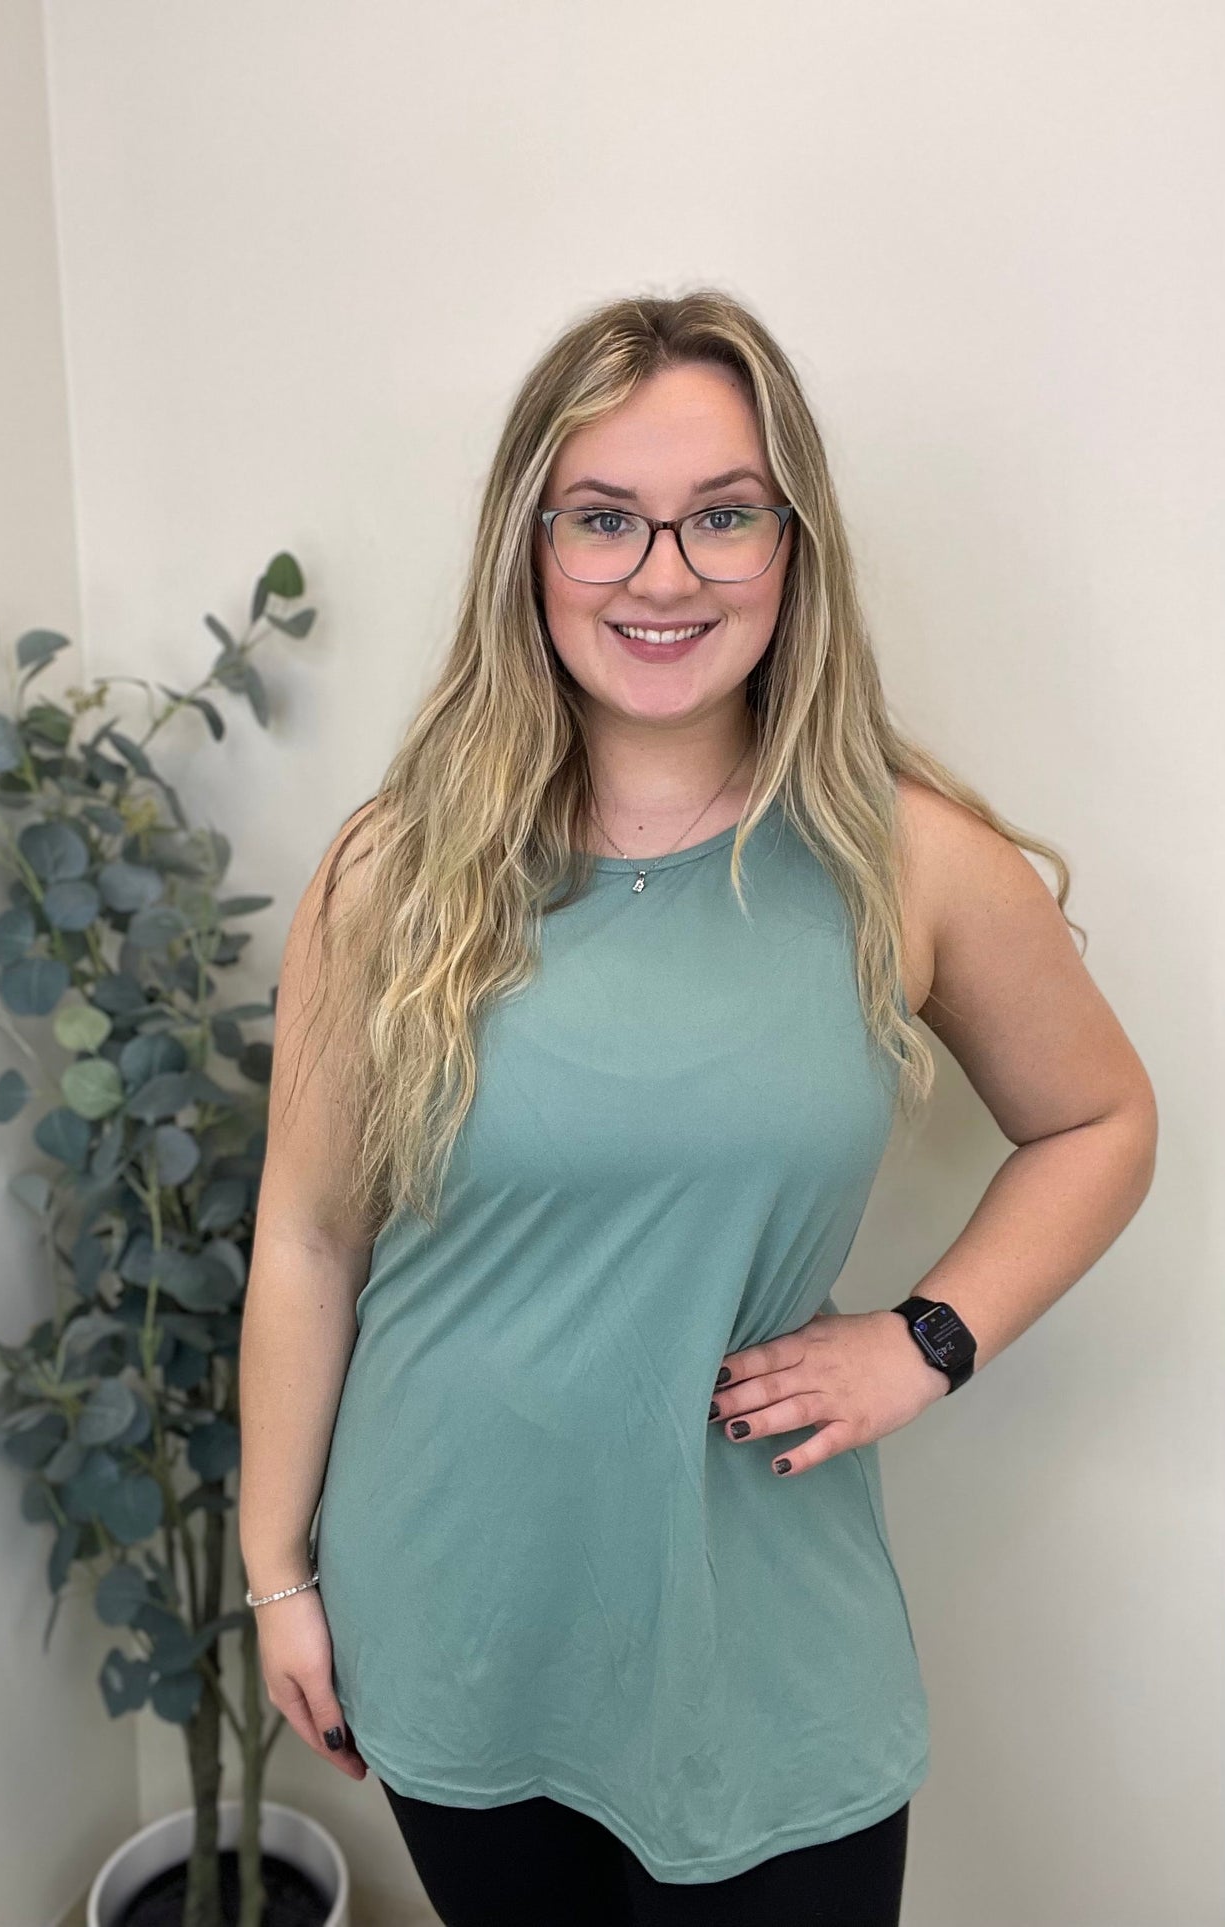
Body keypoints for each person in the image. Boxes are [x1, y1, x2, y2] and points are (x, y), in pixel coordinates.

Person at [236, 289, 1157, 1926]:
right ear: (527, 548)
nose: (662, 575)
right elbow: (307, 1239)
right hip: (451, 1612)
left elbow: (1097, 1122)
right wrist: (277, 1575)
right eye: (603, 520)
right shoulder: (394, 871)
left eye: (720, 517)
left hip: (754, 1640)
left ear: (791, 549)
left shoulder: (908, 859)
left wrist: (923, 1340)